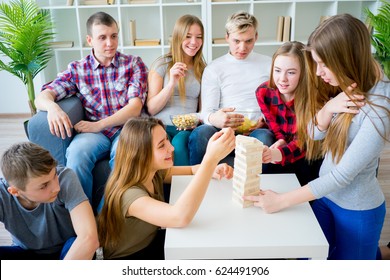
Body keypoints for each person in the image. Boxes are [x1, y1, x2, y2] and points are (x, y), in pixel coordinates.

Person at [244, 14, 390, 260]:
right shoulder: (347, 84)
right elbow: (312, 133)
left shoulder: (380, 107)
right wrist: (328, 108)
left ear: (345, 58)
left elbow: (343, 175)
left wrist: (283, 201)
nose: (318, 72)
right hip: (324, 197)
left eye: (323, 64)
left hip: (357, 209)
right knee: (308, 260)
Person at [35, 12, 148, 205]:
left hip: (127, 128)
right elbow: (43, 96)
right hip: (94, 135)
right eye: (102, 37)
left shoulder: (133, 64)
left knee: (124, 154)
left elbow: (135, 108)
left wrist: (99, 125)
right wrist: (53, 108)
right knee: (77, 153)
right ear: (90, 40)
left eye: (113, 36)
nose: (110, 43)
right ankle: (80, 215)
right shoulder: (77, 69)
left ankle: (107, 218)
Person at [97, 117, 235, 259]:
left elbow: (192, 170)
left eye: (167, 140)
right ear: (141, 154)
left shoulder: (154, 172)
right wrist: (210, 160)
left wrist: (213, 169)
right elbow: (179, 217)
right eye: (161, 145)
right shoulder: (130, 196)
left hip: (149, 242)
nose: (172, 148)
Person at [188, 11, 272, 166]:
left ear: (256, 37)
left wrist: (266, 121)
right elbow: (207, 111)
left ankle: (258, 189)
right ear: (227, 37)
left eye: (248, 41)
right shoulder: (215, 68)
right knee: (200, 134)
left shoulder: (269, 64)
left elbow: (277, 102)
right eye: (237, 41)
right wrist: (216, 119)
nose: (242, 47)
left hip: (257, 130)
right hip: (222, 130)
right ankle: (199, 183)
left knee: (265, 139)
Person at [0, 142, 99, 260]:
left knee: (85, 246)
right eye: (44, 185)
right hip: (25, 252)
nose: (56, 187)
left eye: (54, 175)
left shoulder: (65, 178)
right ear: (15, 192)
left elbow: (89, 238)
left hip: (69, 251)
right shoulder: (2, 194)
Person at [250, 41, 322, 185]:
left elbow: (306, 141)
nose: (282, 78)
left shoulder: (314, 98)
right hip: (283, 149)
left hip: (307, 153)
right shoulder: (263, 92)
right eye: (277, 70)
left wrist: (278, 154)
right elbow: (274, 127)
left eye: (291, 72)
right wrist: (281, 140)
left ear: (304, 73)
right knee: (267, 170)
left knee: (307, 165)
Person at [147, 14, 206, 166]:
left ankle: (182, 188)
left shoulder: (203, 69)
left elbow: (203, 109)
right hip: (161, 125)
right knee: (160, 144)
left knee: (179, 144)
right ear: (178, 37)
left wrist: (197, 120)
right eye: (188, 36)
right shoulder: (162, 65)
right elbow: (151, 109)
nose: (194, 42)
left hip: (187, 127)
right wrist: (172, 82)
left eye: (199, 37)